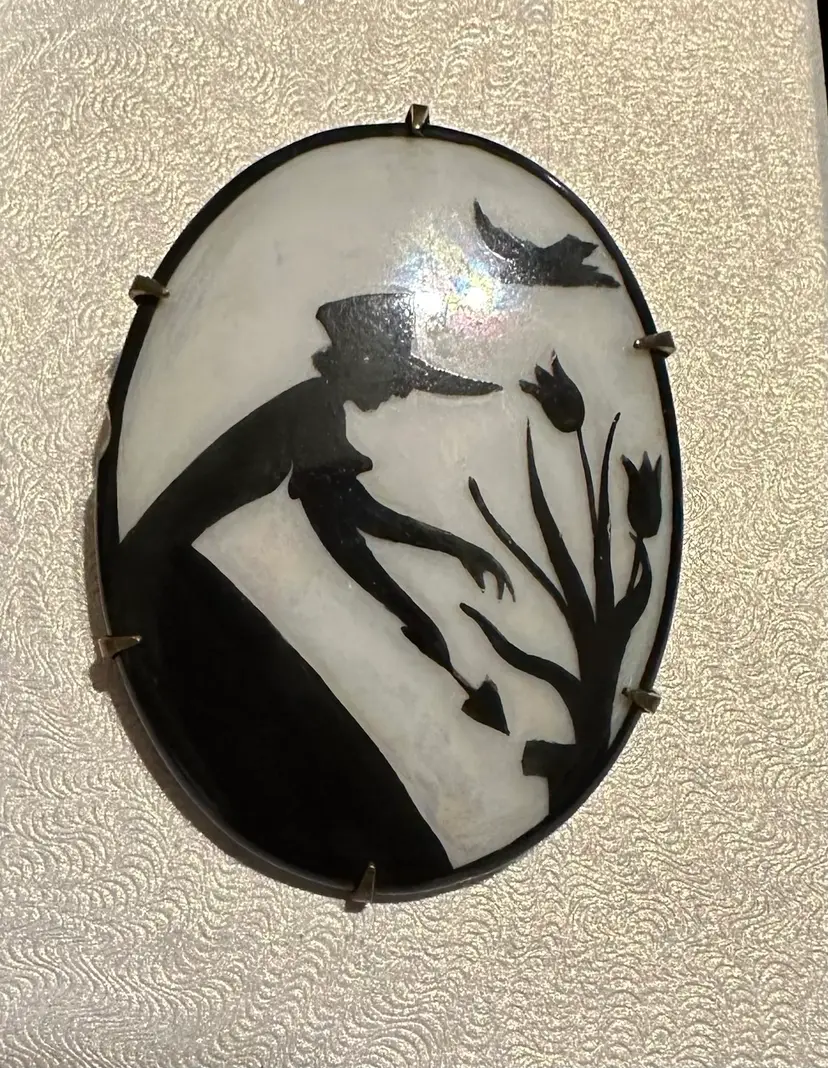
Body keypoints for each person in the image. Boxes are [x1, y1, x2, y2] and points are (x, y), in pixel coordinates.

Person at [107, 291, 513, 886]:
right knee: (319, 753)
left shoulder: (315, 405)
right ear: (359, 361)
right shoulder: (312, 409)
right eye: (396, 375)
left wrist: (444, 566)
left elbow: (350, 520)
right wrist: (424, 598)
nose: (402, 392)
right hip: (158, 581)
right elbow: (346, 533)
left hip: (159, 570)